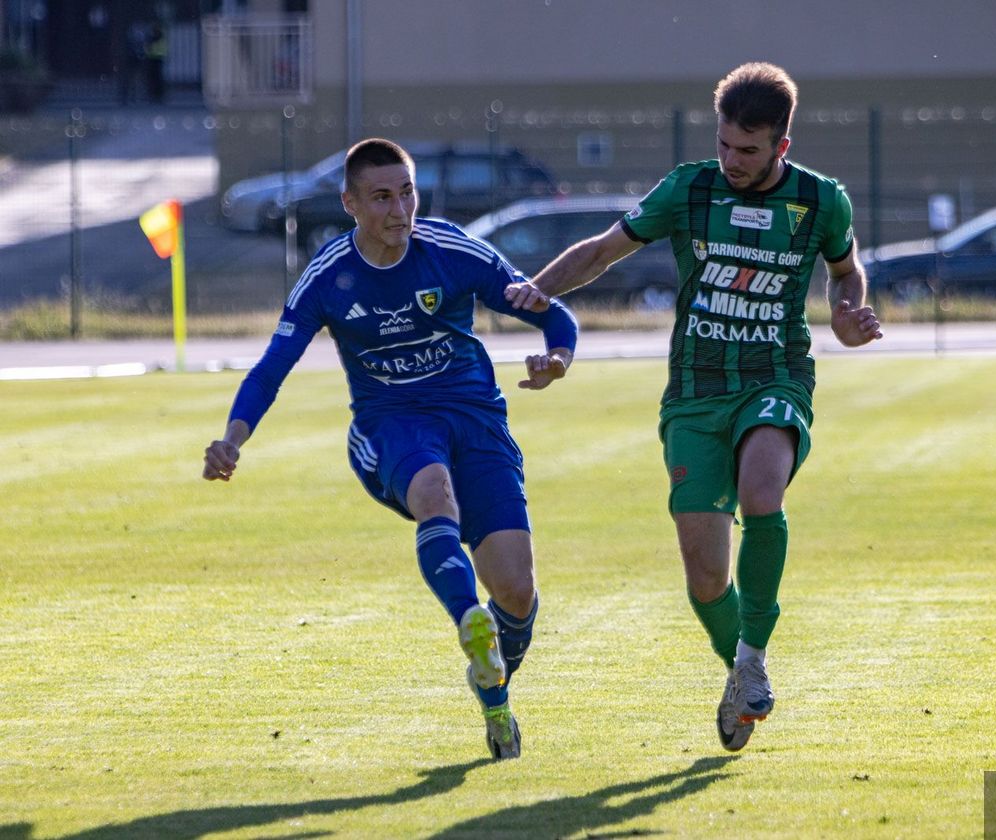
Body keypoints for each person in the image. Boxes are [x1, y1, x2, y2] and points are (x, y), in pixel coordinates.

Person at [506, 62, 882, 752]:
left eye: (748, 150)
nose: (733, 161)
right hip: (694, 393)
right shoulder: (688, 189)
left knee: (761, 492)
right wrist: (539, 287)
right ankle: (741, 671)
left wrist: (849, 312)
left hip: (775, 375)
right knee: (707, 576)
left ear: (781, 147)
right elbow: (602, 252)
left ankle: (755, 660)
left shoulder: (822, 202)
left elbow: (845, 269)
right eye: (725, 146)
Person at [203, 138, 576, 760]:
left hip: (476, 420)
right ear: (349, 203)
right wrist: (232, 439)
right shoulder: (328, 276)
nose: (399, 209)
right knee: (434, 493)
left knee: (516, 590)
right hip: (391, 424)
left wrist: (556, 359)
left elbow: (552, 314)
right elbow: (273, 366)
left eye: (407, 192)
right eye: (381, 197)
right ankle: (466, 619)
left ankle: (493, 687)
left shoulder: (452, 252)